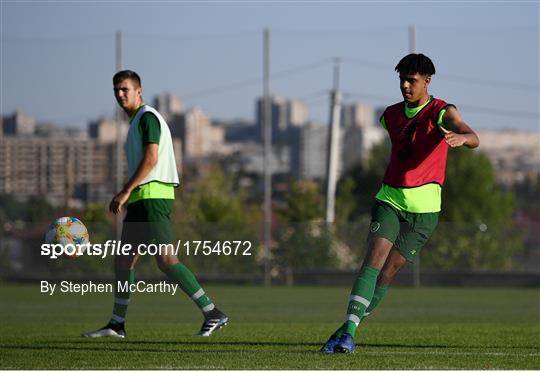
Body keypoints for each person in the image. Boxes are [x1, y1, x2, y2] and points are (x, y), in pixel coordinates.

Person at [320, 53, 479, 353]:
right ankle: (350, 334)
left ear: (428, 81)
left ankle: (345, 329)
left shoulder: (440, 111)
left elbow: (471, 134)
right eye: (402, 80)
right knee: (373, 260)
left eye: (412, 80)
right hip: (390, 198)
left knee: (388, 273)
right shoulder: (390, 115)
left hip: (425, 212)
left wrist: (463, 138)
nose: (406, 85)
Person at [82, 70, 228, 338]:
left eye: (125, 89)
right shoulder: (137, 120)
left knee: (166, 260)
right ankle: (116, 324)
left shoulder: (147, 117)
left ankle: (212, 312)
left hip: (152, 199)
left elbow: (151, 159)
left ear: (139, 91)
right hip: (141, 200)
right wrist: (131, 196)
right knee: (124, 261)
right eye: (116, 90)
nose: (120, 94)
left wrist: (125, 191)